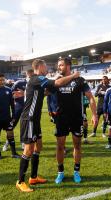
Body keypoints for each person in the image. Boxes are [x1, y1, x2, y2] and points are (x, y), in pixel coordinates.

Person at [16, 59, 80, 192]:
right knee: (28, 150)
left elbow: (45, 92)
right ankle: (20, 181)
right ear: (39, 67)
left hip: (35, 119)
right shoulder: (36, 78)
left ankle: (33, 177)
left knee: (38, 146)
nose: (48, 68)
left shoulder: (37, 81)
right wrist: (73, 75)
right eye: (46, 66)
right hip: (29, 119)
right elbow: (56, 83)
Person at [53, 57, 97, 184]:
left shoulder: (80, 80)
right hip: (61, 118)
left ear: (68, 66)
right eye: (58, 65)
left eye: (61, 65)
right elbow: (45, 93)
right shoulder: (57, 80)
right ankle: (60, 172)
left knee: (77, 145)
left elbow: (90, 97)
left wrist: (94, 114)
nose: (59, 67)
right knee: (60, 146)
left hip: (76, 118)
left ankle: (76, 172)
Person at [0, 73, 20, 160]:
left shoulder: (8, 90)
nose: (2, 81)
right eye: (0, 80)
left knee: (10, 134)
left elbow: (12, 105)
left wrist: (13, 116)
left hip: (7, 118)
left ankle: (14, 153)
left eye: (3, 80)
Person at [2, 77, 26, 152]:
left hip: (27, 108)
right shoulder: (18, 83)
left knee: (24, 126)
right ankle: (7, 142)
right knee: (11, 125)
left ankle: (23, 142)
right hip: (17, 107)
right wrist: (20, 94)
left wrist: (24, 94)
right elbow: (11, 94)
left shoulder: (33, 83)